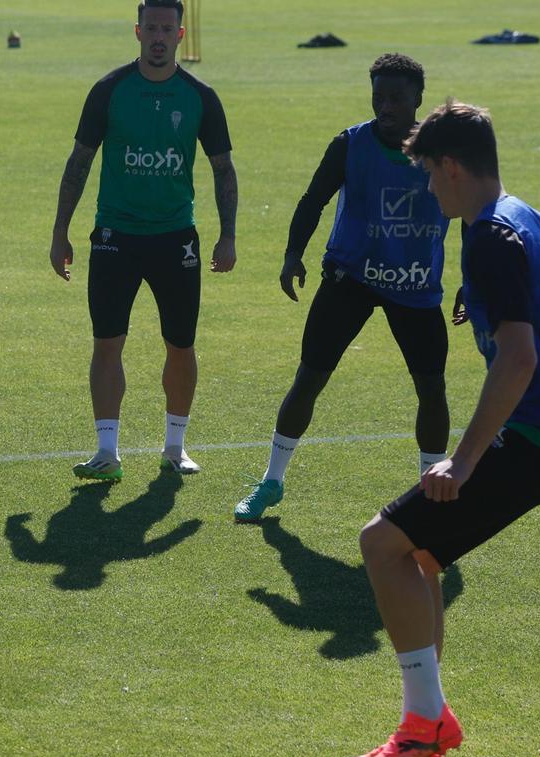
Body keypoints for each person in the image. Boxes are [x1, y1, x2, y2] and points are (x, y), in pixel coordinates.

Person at [331, 100, 540, 757]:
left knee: (382, 543)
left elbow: (519, 360)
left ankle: (421, 727)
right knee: (421, 555)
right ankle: (427, 727)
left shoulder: (490, 237)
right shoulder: (518, 217)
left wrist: (462, 460)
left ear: (452, 167)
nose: (429, 188)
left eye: (430, 172)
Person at [235, 54, 451, 522]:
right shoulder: (350, 144)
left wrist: (473, 281)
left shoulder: (441, 151)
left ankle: (431, 497)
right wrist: (293, 254)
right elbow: (313, 199)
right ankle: (271, 481)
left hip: (414, 285)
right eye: (379, 97)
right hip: (349, 277)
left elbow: (473, 211)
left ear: (418, 99)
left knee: (432, 389)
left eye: (396, 98)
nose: (385, 106)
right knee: (309, 378)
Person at [49, 0, 238, 482]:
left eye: (166, 29)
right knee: (107, 341)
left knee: (181, 344)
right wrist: (60, 231)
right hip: (116, 235)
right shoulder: (109, 91)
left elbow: (223, 168)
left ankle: (175, 447)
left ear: (180, 35)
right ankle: (106, 452)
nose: (158, 36)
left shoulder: (200, 97)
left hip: (176, 238)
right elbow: (79, 161)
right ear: (137, 32)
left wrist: (227, 236)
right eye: (150, 27)